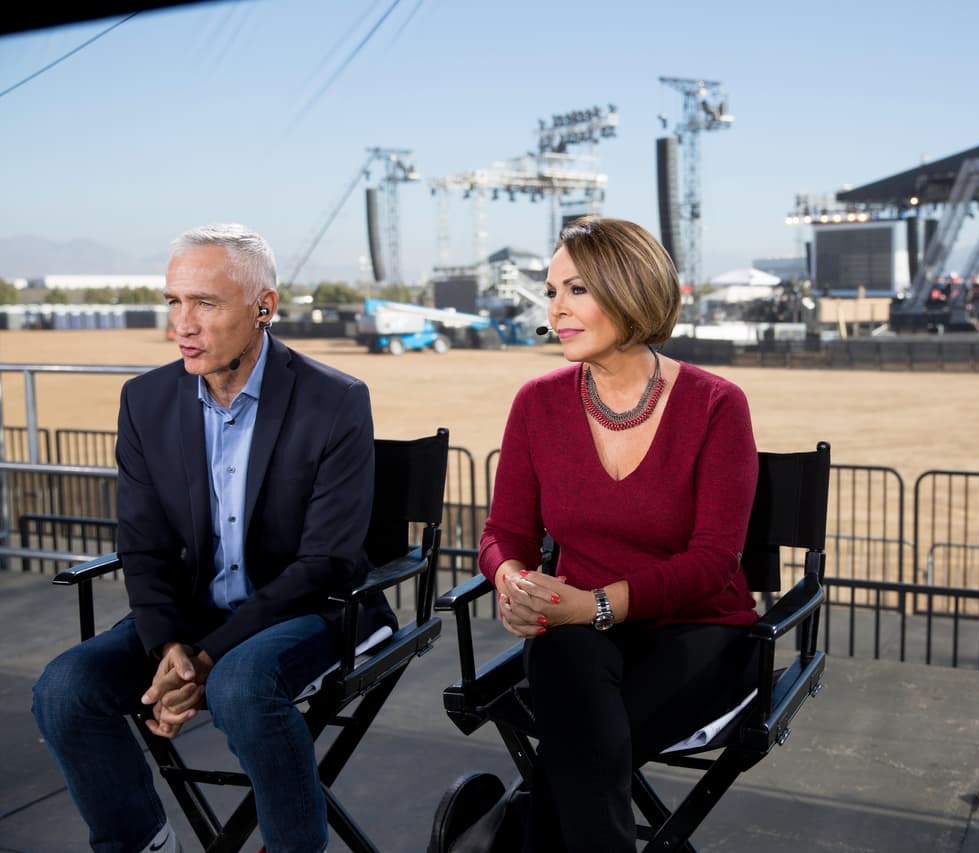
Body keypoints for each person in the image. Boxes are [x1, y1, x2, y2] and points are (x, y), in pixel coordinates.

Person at [32, 224, 394, 853]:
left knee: (241, 685)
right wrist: (170, 643)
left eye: (205, 302)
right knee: (64, 689)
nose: (183, 324)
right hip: (195, 616)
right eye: (174, 302)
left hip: (318, 611)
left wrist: (207, 658)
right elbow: (141, 545)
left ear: (264, 307)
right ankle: (141, 842)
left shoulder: (335, 400)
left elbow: (327, 563)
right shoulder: (144, 400)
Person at [479, 216, 760, 851]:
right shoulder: (537, 403)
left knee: (578, 745)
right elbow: (503, 532)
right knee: (565, 667)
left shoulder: (717, 404)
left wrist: (596, 603)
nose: (556, 311)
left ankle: (509, 834)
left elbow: (714, 562)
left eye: (575, 290)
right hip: (576, 631)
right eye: (550, 292)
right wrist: (513, 579)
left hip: (702, 631)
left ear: (630, 290)